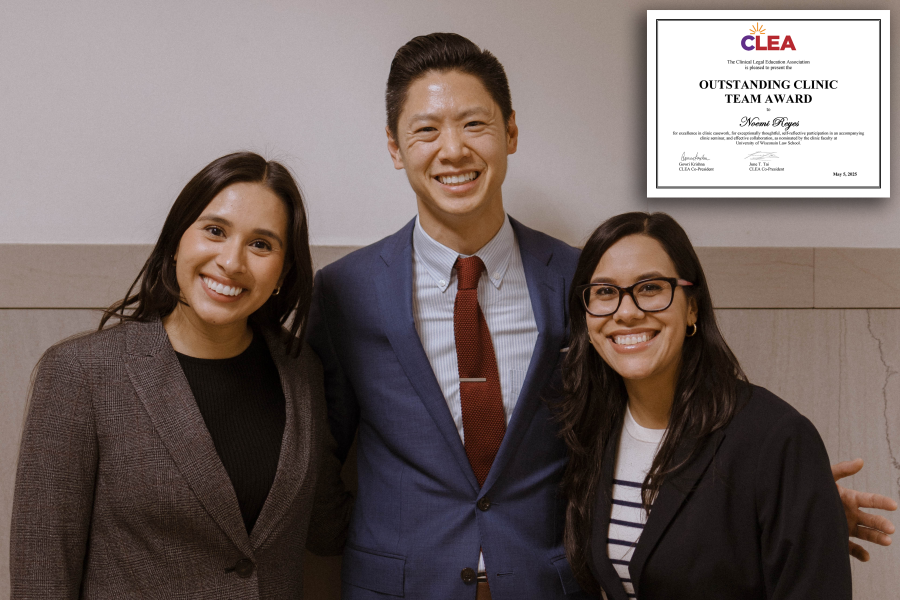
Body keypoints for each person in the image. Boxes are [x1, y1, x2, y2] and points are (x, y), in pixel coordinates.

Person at [307, 33, 894, 600]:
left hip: (552, 585)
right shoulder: (345, 291)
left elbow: (653, 414)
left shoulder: (584, 283)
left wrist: (781, 505)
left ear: (510, 132)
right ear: (394, 146)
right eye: (426, 130)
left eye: (474, 123)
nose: (453, 149)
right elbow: (316, 451)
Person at [10, 152, 351, 599]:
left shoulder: (300, 371)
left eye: (261, 244)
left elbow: (328, 526)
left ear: (282, 273)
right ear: (176, 241)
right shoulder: (81, 374)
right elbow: (43, 573)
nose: (231, 261)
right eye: (215, 231)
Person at [557, 212, 851, 599]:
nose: (625, 312)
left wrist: (812, 505)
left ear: (692, 307)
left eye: (650, 288)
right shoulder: (590, 428)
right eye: (605, 292)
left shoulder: (774, 438)